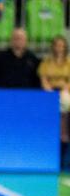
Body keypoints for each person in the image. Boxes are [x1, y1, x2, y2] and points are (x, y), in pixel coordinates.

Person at [38, 36, 70, 167]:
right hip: (50, 95)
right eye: (57, 45)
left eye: (61, 45)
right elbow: (44, 80)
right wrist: (51, 94)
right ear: (53, 47)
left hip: (65, 94)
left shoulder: (69, 63)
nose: (59, 48)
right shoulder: (46, 63)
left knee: (65, 105)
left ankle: (64, 135)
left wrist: (64, 91)